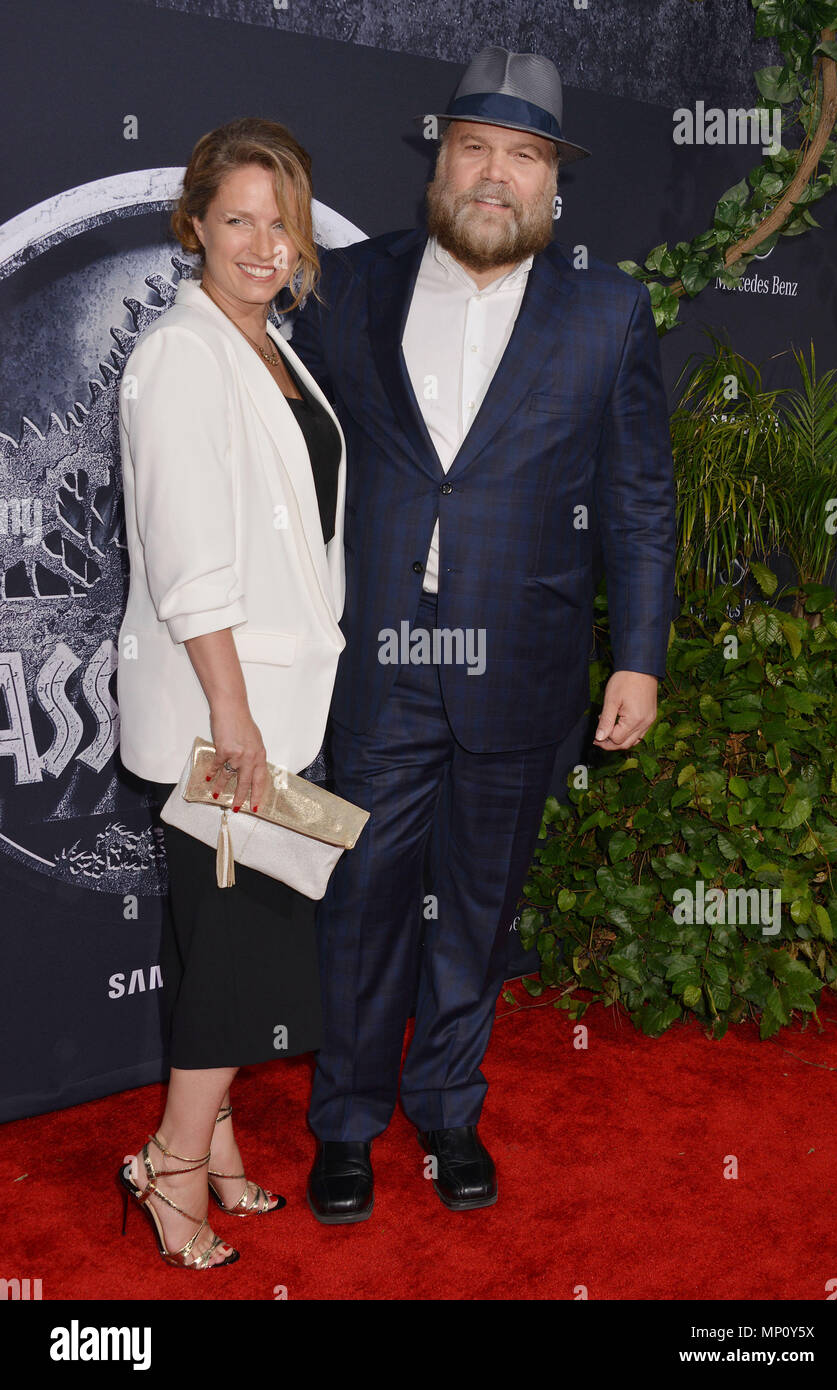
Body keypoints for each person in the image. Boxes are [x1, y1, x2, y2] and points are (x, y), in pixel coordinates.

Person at [289, 47, 678, 1222]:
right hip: (381, 668)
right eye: (475, 149)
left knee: (477, 905)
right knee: (362, 904)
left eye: (523, 156)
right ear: (439, 160)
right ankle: (347, 1122)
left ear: (554, 182)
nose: (495, 176)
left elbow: (638, 499)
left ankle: (448, 1106)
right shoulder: (347, 287)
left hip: (527, 669)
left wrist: (642, 653)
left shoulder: (608, 312)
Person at [115, 117, 346, 1267]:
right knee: (236, 959)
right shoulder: (182, 354)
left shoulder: (270, 347)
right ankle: (165, 1168)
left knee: (227, 954)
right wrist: (236, 716)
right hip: (226, 719)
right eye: (239, 219)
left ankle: (216, 1154)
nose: (263, 244)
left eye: (282, 221)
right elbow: (188, 559)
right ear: (194, 224)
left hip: (277, 709)